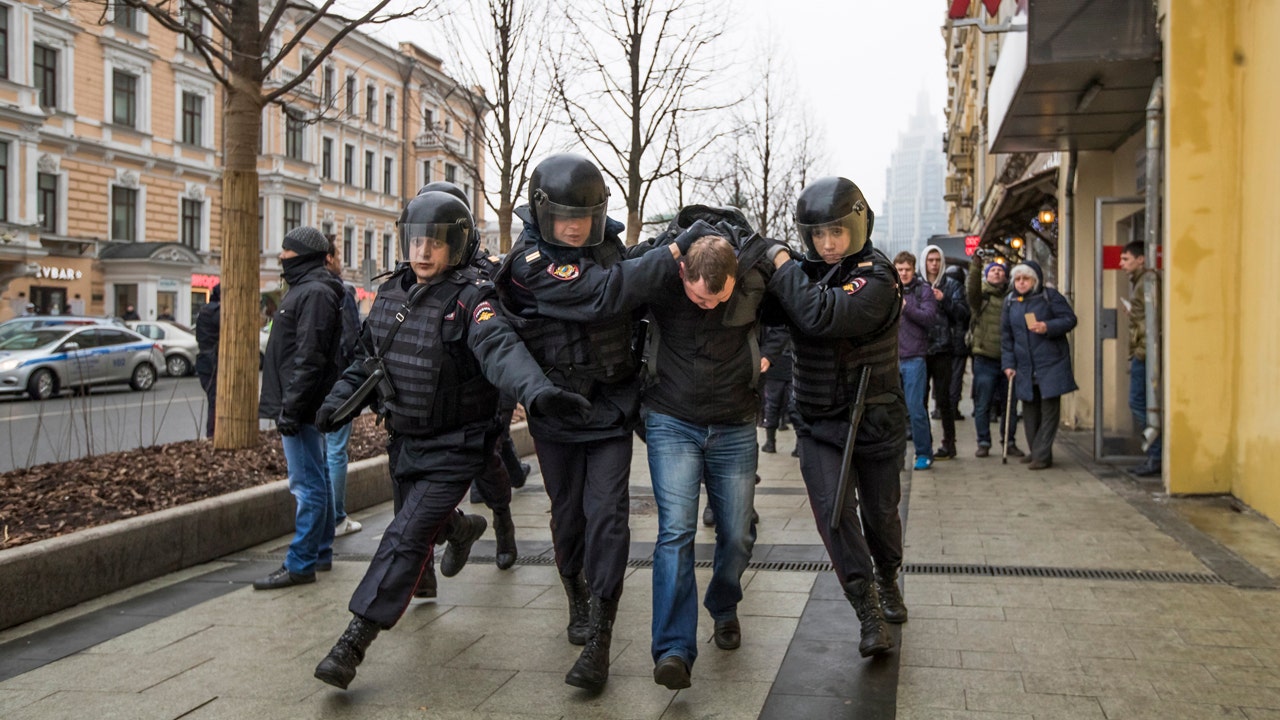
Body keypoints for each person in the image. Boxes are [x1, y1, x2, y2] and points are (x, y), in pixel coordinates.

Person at [311, 191, 592, 691]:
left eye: (435, 244)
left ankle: (354, 641)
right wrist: (337, 403)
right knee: (418, 526)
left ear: (457, 246)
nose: (423, 252)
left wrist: (539, 392)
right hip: (405, 442)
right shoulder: (391, 294)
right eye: (416, 241)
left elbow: (501, 349)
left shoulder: (472, 300)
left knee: (404, 538)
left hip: (456, 447)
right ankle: (460, 530)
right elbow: (365, 362)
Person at [494, 153, 681, 690]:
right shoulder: (529, 261)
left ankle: (600, 630)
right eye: (564, 221)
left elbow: (633, 292)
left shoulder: (610, 248)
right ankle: (573, 585)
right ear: (542, 214)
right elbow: (603, 293)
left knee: (608, 516)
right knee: (569, 517)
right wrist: (669, 253)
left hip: (610, 409)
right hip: (557, 413)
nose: (574, 230)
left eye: (583, 219)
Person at [766, 175, 906, 658]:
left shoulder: (879, 276)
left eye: (836, 233)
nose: (826, 244)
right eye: (817, 235)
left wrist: (781, 263)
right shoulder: (803, 272)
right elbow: (767, 310)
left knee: (881, 515)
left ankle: (888, 576)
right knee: (834, 512)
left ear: (858, 226)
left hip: (876, 419)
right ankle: (866, 608)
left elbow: (820, 315)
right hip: (818, 420)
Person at [637, 208, 776, 690]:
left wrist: (769, 353)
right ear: (682, 274)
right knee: (675, 532)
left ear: (735, 277)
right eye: (698, 297)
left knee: (736, 534)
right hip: (671, 418)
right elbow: (622, 281)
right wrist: (667, 248)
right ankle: (673, 648)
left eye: (718, 299)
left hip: (734, 422)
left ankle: (723, 603)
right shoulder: (663, 273)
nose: (708, 306)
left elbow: (785, 319)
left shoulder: (756, 277)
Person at [255, 226, 348, 590]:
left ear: (302, 256)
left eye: (286, 252)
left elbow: (308, 358)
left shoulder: (312, 293)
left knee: (306, 485)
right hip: (306, 403)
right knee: (317, 478)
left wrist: (290, 410)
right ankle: (320, 552)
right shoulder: (311, 289)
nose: (280, 257)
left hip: (302, 405)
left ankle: (301, 562)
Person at [1001, 261, 1077, 470]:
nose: (1021, 283)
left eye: (1026, 279)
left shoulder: (1050, 297)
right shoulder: (1010, 302)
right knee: (1030, 410)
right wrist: (1008, 364)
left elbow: (1070, 319)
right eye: (1017, 279)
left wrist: (1048, 326)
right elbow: (1006, 336)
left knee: (1049, 410)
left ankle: (1042, 456)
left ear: (1035, 280)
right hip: (1025, 365)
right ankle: (1037, 451)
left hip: (1051, 362)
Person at [965, 256, 1024, 457]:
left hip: (1009, 359)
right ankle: (983, 441)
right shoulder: (981, 297)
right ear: (986, 276)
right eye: (993, 271)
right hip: (984, 358)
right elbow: (971, 289)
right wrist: (976, 266)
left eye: (1000, 270)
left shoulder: (1013, 298)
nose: (997, 273)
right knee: (983, 403)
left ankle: (1009, 441)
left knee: (1010, 404)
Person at [324, 242, 363, 538]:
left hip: (308, 388)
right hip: (338, 384)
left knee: (318, 452)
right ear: (329, 258)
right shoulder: (341, 291)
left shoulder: (297, 290)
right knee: (336, 451)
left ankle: (320, 518)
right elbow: (352, 342)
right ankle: (336, 517)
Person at [919, 243, 968, 459]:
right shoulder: (917, 284)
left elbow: (963, 314)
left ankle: (949, 443)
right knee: (920, 399)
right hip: (920, 348)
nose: (934, 264)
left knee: (945, 399)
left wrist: (944, 299)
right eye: (930, 260)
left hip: (943, 348)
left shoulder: (952, 285)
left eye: (937, 260)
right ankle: (924, 443)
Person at [1120, 241, 1161, 477]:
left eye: (1126, 259)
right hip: (1145, 351)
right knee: (1142, 402)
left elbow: (1151, 321)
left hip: (1145, 353)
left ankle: (1157, 451)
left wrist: (1141, 353)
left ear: (1141, 259)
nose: (1121, 263)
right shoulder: (1141, 283)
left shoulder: (1147, 282)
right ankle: (1155, 452)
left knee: (1138, 401)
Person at [894, 251, 938, 471]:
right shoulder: (888, 291)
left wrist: (906, 307)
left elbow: (930, 318)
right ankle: (897, 456)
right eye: (899, 269)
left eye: (907, 269)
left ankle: (924, 453)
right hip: (892, 360)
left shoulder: (923, 291)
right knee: (894, 412)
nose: (903, 273)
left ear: (913, 269)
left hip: (915, 358)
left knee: (916, 409)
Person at [758, 323, 794, 455]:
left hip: (774, 361)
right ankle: (798, 447)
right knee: (793, 404)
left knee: (772, 404)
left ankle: (770, 442)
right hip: (789, 361)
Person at [194, 284, 221, 439]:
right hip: (212, 359)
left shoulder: (206, 310)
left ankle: (212, 433)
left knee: (214, 397)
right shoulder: (216, 312)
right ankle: (212, 434)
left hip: (205, 358)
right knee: (215, 398)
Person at [944, 263, 970, 419]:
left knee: (943, 377)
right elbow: (964, 315)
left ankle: (941, 408)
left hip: (944, 341)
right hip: (959, 342)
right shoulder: (961, 293)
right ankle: (953, 407)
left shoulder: (942, 288)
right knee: (955, 377)